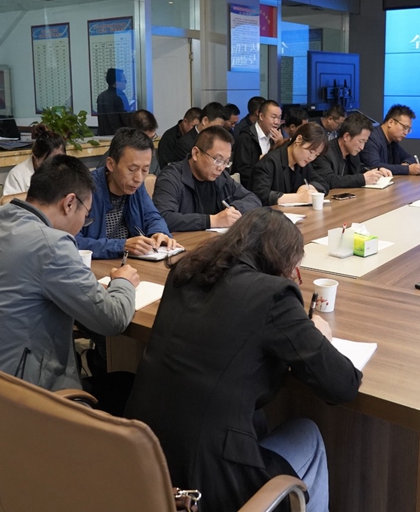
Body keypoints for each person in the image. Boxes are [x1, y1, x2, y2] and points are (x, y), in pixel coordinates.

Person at [124, 208, 362, 512]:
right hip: (208, 482)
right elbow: (342, 385)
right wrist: (319, 336)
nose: (294, 278)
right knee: (308, 435)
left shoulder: (184, 272)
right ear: (282, 261)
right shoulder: (273, 295)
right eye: (295, 270)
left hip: (145, 461)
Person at [0, 155, 138, 393]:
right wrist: (123, 281)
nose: (83, 223)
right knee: (128, 385)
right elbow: (113, 319)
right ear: (69, 203)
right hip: (13, 396)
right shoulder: (52, 244)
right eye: (86, 215)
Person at [76, 128, 179, 259]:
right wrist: (121, 246)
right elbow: (72, 241)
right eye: (132, 169)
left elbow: (152, 216)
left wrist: (159, 232)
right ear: (111, 164)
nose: (139, 178)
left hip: (129, 263)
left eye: (145, 170)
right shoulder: (85, 189)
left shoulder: (136, 187)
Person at [152, 126, 261, 231]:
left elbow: (253, 199)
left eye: (226, 162)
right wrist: (212, 220)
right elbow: (164, 217)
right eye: (218, 160)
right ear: (196, 153)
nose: (221, 167)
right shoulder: (170, 178)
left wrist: (233, 210)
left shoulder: (222, 177)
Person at [252, 122, 330, 206]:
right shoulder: (270, 161)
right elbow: (260, 195)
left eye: (316, 155)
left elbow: (323, 183)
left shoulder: (303, 164)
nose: (311, 158)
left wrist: (309, 187)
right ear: (299, 139)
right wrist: (298, 198)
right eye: (310, 151)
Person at [312, 113, 391, 188]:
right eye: (360, 141)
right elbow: (329, 179)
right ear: (346, 137)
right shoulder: (324, 152)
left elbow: (358, 170)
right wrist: (362, 179)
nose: (362, 147)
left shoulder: (352, 153)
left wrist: (377, 171)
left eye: (365, 142)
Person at [1, 124, 66, 201]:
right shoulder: (17, 174)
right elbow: (5, 202)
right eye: (50, 161)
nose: (56, 165)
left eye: (60, 159)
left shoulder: (67, 170)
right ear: (35, 156)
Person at [231, 99, 282, 190]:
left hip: (270, 186)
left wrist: (280, 145)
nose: (277, 122)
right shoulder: (246, 137)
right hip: (250, 189)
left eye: (279, 118)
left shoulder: (277, 137)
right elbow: (242, 171)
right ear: (261, 116)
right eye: (273, 117)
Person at [360, 104, 420, 176]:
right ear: (390, 122)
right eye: (404, 127)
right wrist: (407, 169)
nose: (406, 133)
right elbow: (374, 166)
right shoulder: (371, 137)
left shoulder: (393, 141)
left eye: (408, 129)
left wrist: (406, 164)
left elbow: (410, 158)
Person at [96, 68, 132, 136]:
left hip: (103, 136)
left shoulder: (101, 96)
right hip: (119, 136)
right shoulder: (120, 96)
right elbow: (126, 119)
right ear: (116, 83)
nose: (126, 83)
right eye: (124, 81)